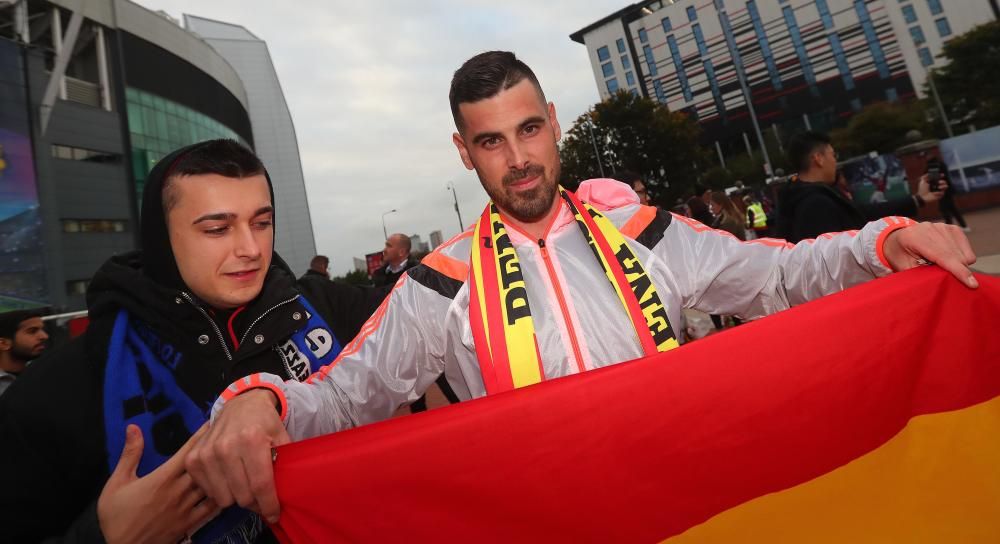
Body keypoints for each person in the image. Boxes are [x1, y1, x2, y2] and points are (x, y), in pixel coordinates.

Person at [186, 51, 978, 523]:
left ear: (555, 122)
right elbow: (350, 393)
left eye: (529, 130)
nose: (518, 158)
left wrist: (886, 238)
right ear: (465, 153)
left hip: (694, 506)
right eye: (492, 142)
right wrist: (265, 400)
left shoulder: (643, 228)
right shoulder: (442, 278)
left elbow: (776, 273)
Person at [0, 140, 385, 543]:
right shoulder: (65, 387)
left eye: (261, 223)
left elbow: (441, 305)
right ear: (161, 238)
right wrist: (106, 537)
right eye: (218, 229)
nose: (251, 249)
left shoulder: (322, 306)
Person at [777, 131, 946, 243]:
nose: (835, 161)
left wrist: (918, 199)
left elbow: (863, 213)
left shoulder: (800, 196)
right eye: (832, 155)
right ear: (818, 159)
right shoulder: (816, 204)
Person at [0, 309, 49, 397]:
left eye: (43, 330)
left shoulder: (43, 373)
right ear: (3, 343)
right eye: (32, 331)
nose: (44, 336)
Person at [926, 157, 969, 232]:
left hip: (943, 190)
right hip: (945, 190)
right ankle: (962, 226)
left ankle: (951, 228)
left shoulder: (937, 167)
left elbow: (933, 177)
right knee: (951, 209)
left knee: (946, 210)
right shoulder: (941, 165)